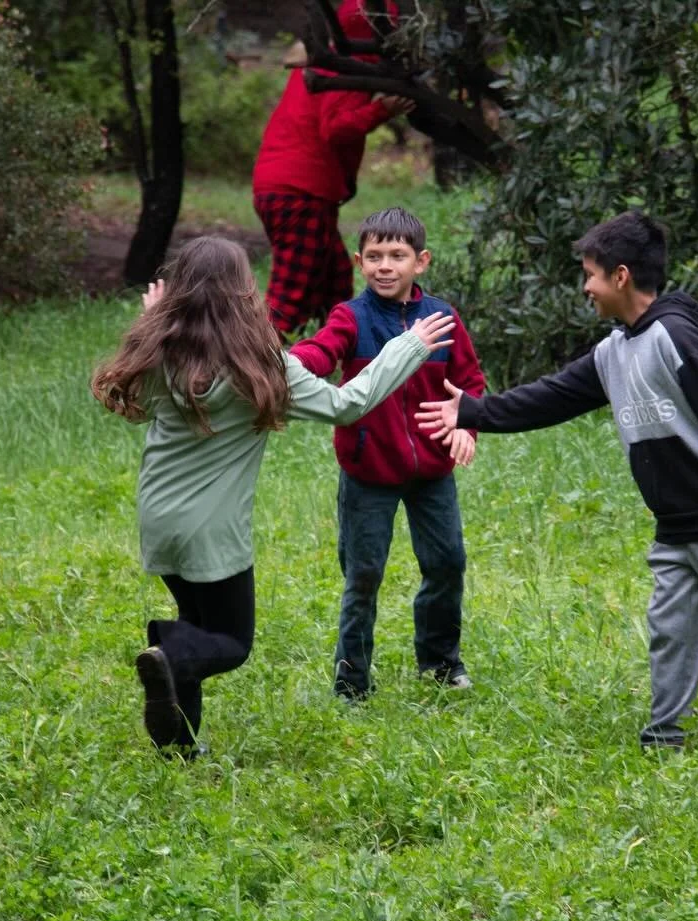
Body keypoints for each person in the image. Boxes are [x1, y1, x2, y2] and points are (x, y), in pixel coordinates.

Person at [415, 212, 698, 763]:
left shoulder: (674, 337)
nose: (585, 287)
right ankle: (664, 740)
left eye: (590, 275)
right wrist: (474, 411)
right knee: (670, 633)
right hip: (675, 528)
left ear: (621, 276)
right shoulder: (614, 351)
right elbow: (551, 397)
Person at [90, 236, 455, 754]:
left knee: (195, 623)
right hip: (213, 530)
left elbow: (142, 405)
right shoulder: (262, 366)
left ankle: (178, 744)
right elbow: (347, 404)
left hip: (158, 519)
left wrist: (152, 323)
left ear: (180, 291)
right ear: (243, 291)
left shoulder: (161, 354)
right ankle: (168, 657)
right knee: (230, 641)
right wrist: (407, 346)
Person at [290, 207, 487, 699]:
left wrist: (467, 426)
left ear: (421, 261)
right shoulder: (350, 317)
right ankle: (352, 681)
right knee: (363, 574)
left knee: (447, 563)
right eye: (374, 256)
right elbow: (321, 351)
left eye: (397, 256)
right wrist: (289, 363)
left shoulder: (442, 318)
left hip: (432, 471)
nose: (385, 266)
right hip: (368, 472)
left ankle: (441, 664)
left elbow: (469, 380)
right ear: (359, 262)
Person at [252, 0, 414, 334]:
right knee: (289, 298)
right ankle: (249, 360)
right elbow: (336, 129)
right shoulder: (348, 69)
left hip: (286, 187)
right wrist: (381, 110)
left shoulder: (323, 59)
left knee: (334, 282)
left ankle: (336, 354)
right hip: (299, 192)